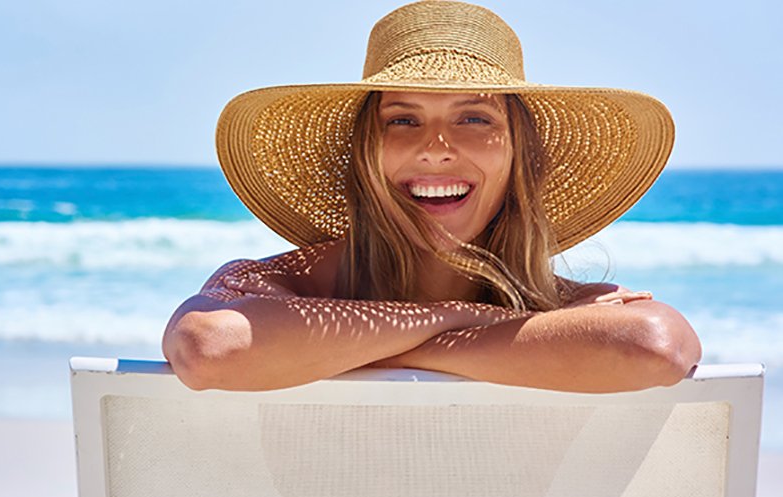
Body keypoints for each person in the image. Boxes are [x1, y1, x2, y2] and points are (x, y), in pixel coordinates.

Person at [162, 0, 701, 393]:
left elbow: (656, 346)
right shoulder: (277, 283)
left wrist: (387, 343)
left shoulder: (575, 307)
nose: (436, 150)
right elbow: (208, 348)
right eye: (402, 120)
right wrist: (467, 319)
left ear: (522, 157)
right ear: (364, 154)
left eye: (473, 118)